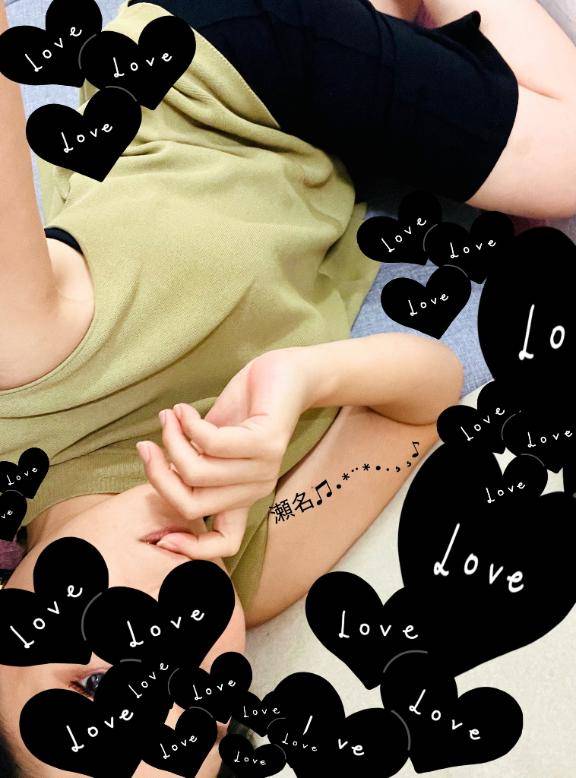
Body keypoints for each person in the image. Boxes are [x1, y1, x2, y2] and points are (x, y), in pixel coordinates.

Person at [0, 0, 575, 774]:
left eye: (97, 686)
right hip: (338, 147)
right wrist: (299, 377)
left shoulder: (22, 387)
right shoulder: (254, 571)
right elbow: (426, 405)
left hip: (223, 66)